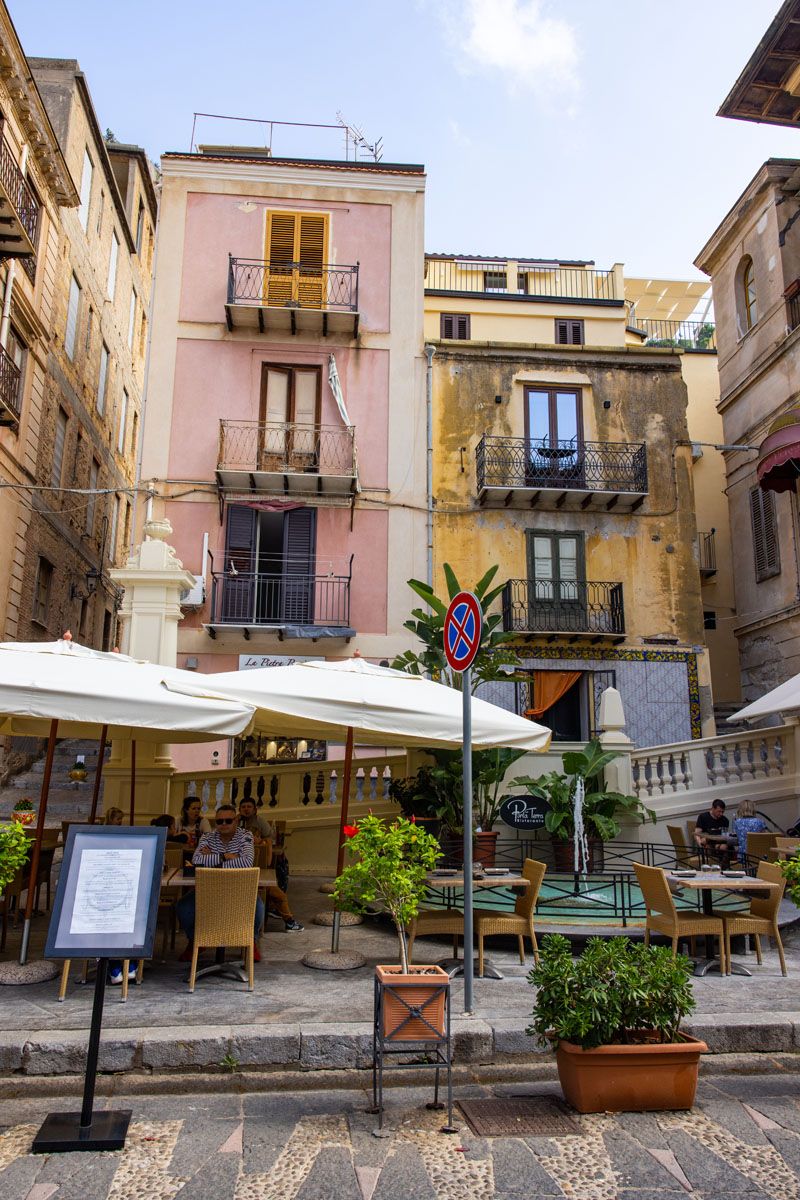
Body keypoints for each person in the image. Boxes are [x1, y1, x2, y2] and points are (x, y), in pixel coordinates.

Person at [176, 803, 265, 962]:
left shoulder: (245, 836)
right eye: (219, 821)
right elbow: (197, 860)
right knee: (183, 907)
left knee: (258, 907)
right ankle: (195, 940)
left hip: (239, 889)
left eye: (228, 821)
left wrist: (212, 856)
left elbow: (246, 863)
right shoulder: (208, 836)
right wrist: (226, 856)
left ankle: (251, 941)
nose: (223, 825)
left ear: (236, 821)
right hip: (208, 889)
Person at [238, 798, 302, 932]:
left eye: (249, 806)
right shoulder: (235, 822)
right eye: (243, 807)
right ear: (239, 809)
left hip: (257, 869)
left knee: (278, 894)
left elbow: (268, 847)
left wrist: (260, 842)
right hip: (238, 872)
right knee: (276, 894)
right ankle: (288, 921)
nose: (246, 809)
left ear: (255, 809)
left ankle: (287, 920)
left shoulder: (260, 822)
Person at [694, 799, 732, 866]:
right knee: (705, 841)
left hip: (719, 843)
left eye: (722, 812)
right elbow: (697, 833)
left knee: (724, 847)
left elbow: (724, 835)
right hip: (707, 844)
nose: (721, 814)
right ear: (712, 809)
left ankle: (723, 867)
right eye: (719, 811)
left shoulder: (725, 820)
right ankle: (720, 866)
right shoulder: (703, 817)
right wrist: (700, 845)